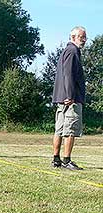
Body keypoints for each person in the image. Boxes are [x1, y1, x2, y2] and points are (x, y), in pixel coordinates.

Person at [51, 26, 87, 170]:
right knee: (69, 129)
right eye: (81, 37)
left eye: (85, 37)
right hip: (70, 98)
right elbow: (68, 75)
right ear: (73, 37)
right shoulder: (72, 51)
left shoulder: (68, 51)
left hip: (62, 97)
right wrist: (70, 95)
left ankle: (56, 160)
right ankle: (66, 161)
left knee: (59, 129)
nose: (84, 40)